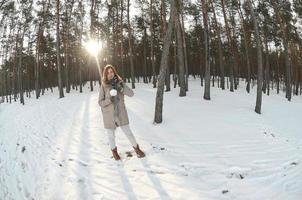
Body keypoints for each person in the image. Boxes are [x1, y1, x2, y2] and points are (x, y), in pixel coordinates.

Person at [98, 64, 145, 160]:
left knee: (129, 133)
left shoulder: (120, 83)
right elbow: (100, 102)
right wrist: (109, 100)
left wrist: (121, 89)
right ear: (105, 75)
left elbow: (131, 94)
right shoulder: (104, 86)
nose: (110, 74)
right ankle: (114, 152)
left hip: (121, 113)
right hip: (109, 115)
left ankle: (137, 149)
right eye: (108, 73)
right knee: (111, 136)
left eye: (111, 72)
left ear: (114, 72)